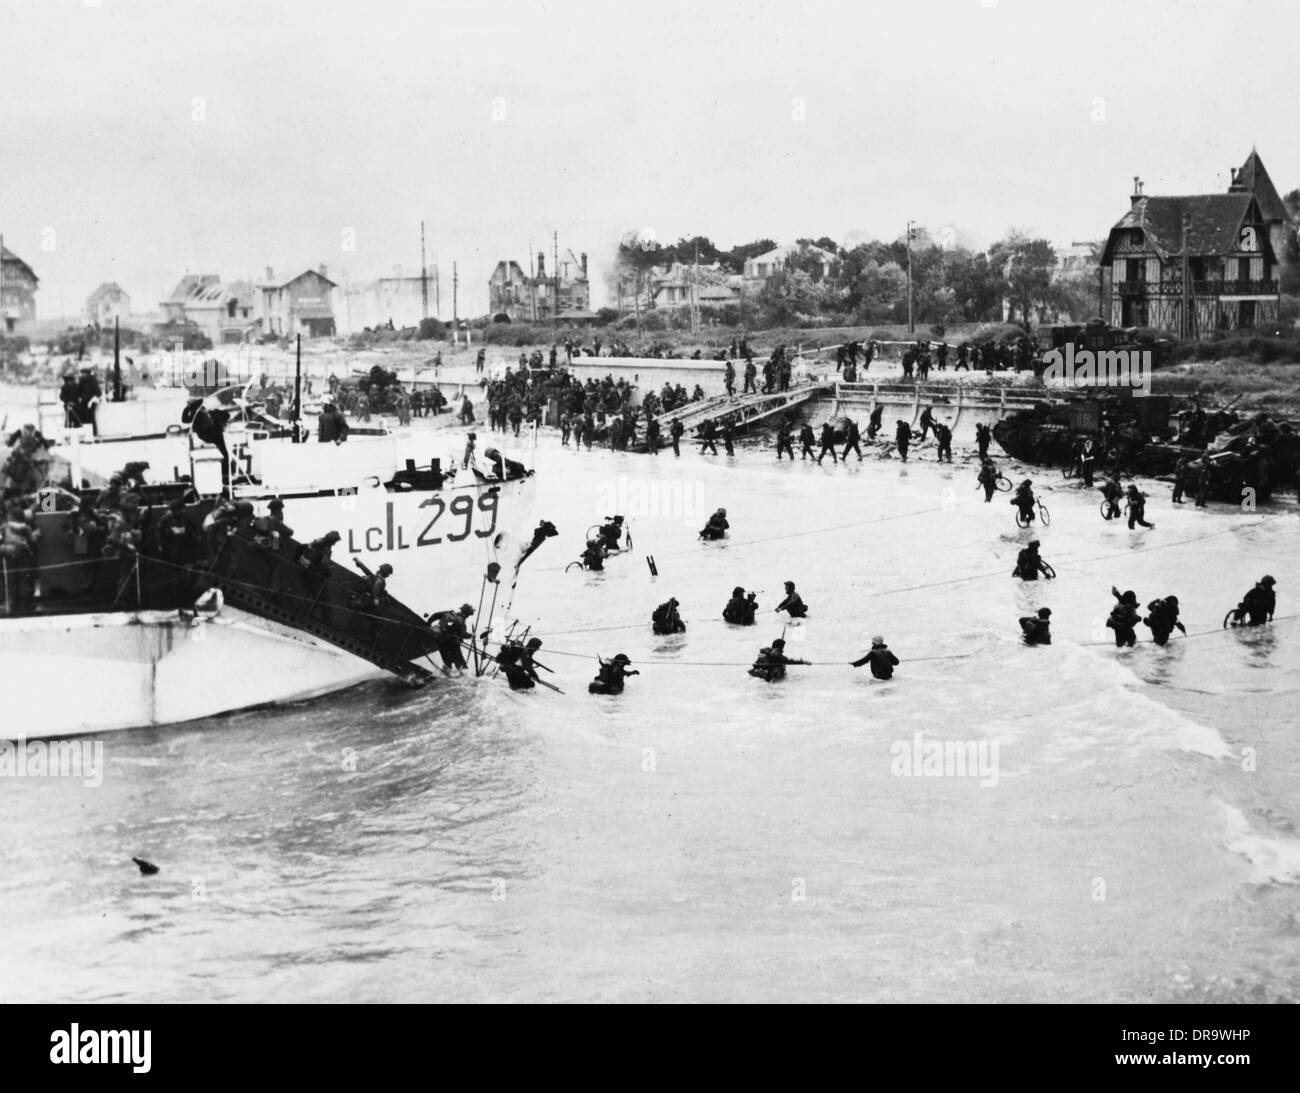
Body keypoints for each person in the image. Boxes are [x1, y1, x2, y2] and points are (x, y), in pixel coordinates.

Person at [428, 603, 475, 670]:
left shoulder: (449, 614)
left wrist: (428, 623)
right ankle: (462, 677)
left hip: (441, 641)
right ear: (467, 614)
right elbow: (463, 634)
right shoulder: (461, 622)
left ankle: (445, 672)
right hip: (453, 645)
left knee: (447, 662)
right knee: (461, 665)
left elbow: (435, 615)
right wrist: (471, 635)